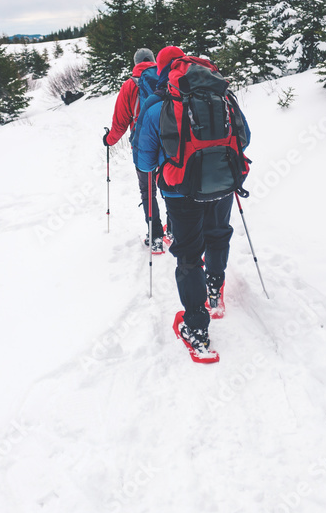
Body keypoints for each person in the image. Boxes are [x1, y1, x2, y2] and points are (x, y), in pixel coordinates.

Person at [135, 46, 250, 356]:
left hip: (180, 191)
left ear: (161, 69)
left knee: (188, 255)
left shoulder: (157, 103)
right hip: (222, 183)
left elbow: (144, 162)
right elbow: (245, 138)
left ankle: (196, 329)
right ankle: (215, 289)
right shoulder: (222, 94)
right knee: (217, 235)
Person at [102, 48, 166, 249]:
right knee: (170, 183)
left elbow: (120, 123)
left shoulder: (130, 85)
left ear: (135, 63)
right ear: (153, 60)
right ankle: (173, 229)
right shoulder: (167, 78)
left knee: (147, 189)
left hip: (143, 143)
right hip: (169, 139)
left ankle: (155, 236)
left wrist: (109, 140)